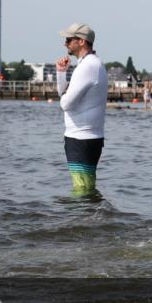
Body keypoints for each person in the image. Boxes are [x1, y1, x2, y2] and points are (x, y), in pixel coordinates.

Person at [55, 23, 108, 197]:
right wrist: (61, 73)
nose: (65, 43)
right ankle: (91, 221)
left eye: (69, 39)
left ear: (82, 42)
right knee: (86, 186)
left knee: (81, 189)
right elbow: (64, 95)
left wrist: (65, 96)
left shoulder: (87, 67)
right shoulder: (91, 64)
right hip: (86, 137)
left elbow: (65, 103)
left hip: (81, 138)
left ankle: (82, 221)